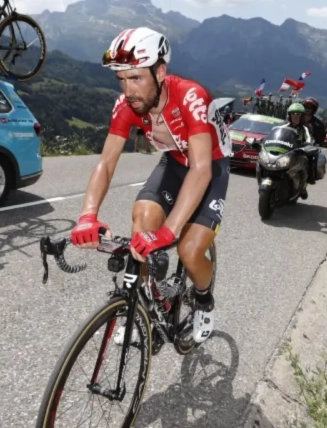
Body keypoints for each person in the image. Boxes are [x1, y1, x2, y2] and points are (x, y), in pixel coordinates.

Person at [70, 27, 231, 346]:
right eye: (122, 79)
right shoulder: (127, 105)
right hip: (174, 161)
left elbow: (200, 169)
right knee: (142, 218)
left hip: (209, 165)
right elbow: (106, 162)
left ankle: (203, 300)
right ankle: (149, 304)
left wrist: (170, 230)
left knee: (188, 249)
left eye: (136, 78)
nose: (128, 90)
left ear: (160, 71)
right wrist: (88, 215)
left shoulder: (191, 96)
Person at [302, 97, 326, 183]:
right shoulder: (296, 117)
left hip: (308, 146)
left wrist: (319, 143)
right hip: (294, 143)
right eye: (306, 107)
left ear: (314, 110)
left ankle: (309, 179)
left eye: (310, 108)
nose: (307, 109)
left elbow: (321, 138)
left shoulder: (318, 124)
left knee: (314, 159)